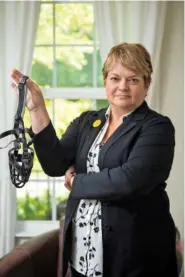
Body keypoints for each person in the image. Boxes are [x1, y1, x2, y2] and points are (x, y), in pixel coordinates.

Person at [11, 43, 178, 277]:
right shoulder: (87, 122)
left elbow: (130, 180)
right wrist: (37, 108)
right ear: (105, 81)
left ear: (147, 84)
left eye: (133, 80)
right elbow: (55, 164)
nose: (122, 87)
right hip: (84, 254)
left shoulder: (157, 127)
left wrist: (77, 182)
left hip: (135, 258)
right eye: (115, 78)